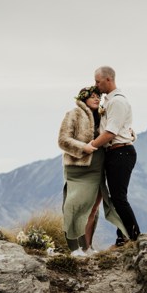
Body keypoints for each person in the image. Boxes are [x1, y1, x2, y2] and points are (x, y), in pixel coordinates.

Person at [57, 85, 129, 255]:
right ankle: (74, 248)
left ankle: (87, 247)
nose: (97, 99)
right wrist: (83, 147)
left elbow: (114, 131)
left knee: (92, 209)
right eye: (93, 96)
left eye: (98, 96)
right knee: (74, 207)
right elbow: (63, 140)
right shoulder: (73, 114)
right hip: (78, 170)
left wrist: (130, 135)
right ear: (84, 98)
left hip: (98, 168)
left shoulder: (104, 115)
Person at [84, 66, 141, 245]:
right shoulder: (109, 101)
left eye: (98, 81)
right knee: (116, 198)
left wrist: (90, 146)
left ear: (108, 79)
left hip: (121, 152)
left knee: (118, 198)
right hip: (115, 152)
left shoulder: (117, 102)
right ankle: (122, 237)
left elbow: (110, 133)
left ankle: (133, 236)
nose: (96, 85)